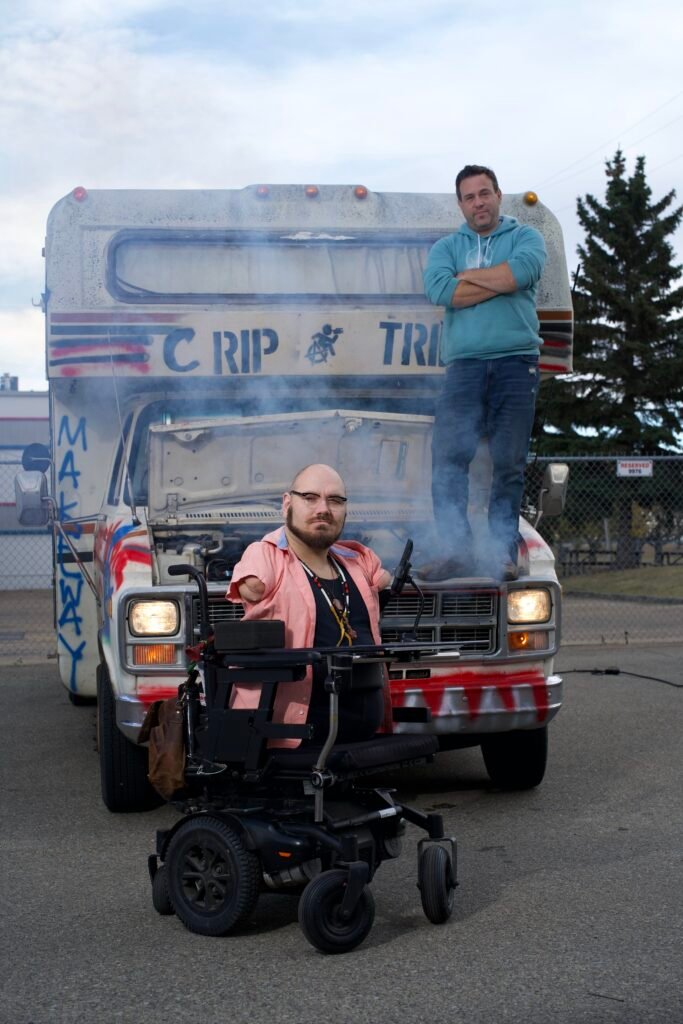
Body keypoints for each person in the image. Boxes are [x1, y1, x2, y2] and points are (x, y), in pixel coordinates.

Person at [421, 164, 547, 582]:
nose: (479, 202)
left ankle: (499, 555)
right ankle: (456, 552)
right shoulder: (446, 246)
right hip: (464, 368)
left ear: (498, 195)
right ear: (461, 204)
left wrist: (468, 281)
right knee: (448, 459)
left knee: (508, 463)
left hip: (516, 364)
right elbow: (440, 290)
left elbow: (522, 273)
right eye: (470, 196)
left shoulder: (526, 237)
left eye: (485, 193)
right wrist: (501, 280)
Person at [226, 463, 392, 747]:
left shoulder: (357, 560)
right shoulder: (266, 556)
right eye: (310, 498)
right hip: (299, 736)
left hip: (365, 732)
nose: (323, 509)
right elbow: (250, 585)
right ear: (287, 504)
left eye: (335, 500)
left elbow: (381, 576)